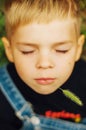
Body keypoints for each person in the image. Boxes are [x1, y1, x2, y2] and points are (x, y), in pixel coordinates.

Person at [0, 0, 86, 130]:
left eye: (61, 50)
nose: (44, 64)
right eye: (27, 51)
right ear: (9, 50)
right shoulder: (3, 91)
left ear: (78, 48)